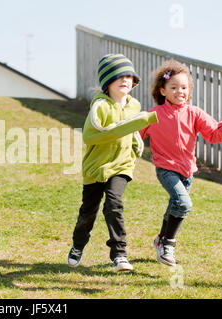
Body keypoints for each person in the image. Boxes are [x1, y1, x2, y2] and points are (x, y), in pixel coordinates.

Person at [139, 59, 222, 266]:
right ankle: (168, 245)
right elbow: (134, 135)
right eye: (173, 87)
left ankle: (160, 240)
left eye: (183, 87)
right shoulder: (153, 115)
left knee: (175, 206)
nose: (179, 91)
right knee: (183, 203)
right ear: (163, 91)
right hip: (165, 168)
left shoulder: (195, 113)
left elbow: (213, 134)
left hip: (187, 171)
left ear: (189, 90)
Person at [68, 54, 158, 272]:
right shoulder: (99, 106)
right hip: (96, 167)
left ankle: (119, 254)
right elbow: (94, 134)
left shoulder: (134, 105)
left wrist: (136, 141)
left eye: (129, 76)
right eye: (119, 76)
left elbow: (131, 128)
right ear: (107, 81)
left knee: (114, 204)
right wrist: (136, 124)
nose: (125, 80)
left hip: (122, 164)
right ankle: (78, 245)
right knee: (88, 212)